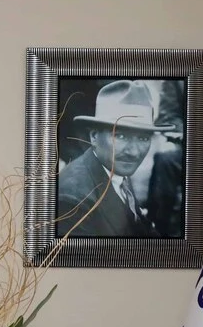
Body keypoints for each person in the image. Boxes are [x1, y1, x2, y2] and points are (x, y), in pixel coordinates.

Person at [55, 80, 175, 239]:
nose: (134, 152)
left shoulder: (114, 169)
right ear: (94, 136)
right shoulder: (73, 201)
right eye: (121, 136)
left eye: (143, 138)